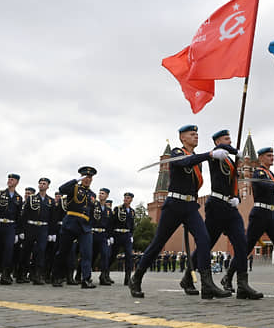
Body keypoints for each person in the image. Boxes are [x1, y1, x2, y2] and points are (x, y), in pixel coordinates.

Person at [129, 125, 229, 299]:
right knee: (158, 243)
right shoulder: (176, 152)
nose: (196, 136)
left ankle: (207, 285)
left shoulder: (196, 159)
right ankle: (136, 278)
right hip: (174, 204)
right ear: (183, 138)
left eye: (197, 133)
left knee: (204, 240)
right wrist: (210, 154)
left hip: (190, 206)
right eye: (192, 134)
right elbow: (184, 162)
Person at [222, 146, 274, 297]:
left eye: (273, 155)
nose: (272, 158)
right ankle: (228, 277)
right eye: (268, 155)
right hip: (260, 214)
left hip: (271, 214)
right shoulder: (258, 172)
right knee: (246, 248)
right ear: (260, 158)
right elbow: (269, 186)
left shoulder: (270, 173)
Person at [190, 129, 262, 299]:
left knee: (242, 243)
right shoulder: (216, 155)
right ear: (217, 142)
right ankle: (189, 276)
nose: (229, 141)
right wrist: (233, 150)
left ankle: (242, 285)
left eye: (230, 138)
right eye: (225, 138)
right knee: (207, 243)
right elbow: (221, 149)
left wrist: (236, 197)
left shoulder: (231, 161)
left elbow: (234, 183)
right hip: (215, 205)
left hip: (229, 206)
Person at [54, 166, 97, 288]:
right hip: (71, 223)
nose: (87, 179)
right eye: (85, 177)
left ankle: (86, 279)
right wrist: (75, 180)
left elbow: (92, 212)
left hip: (85, 227)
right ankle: (57, 276)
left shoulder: (92, 195)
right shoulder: (73, 188)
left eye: (89, 177)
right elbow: (62, 189)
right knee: (63, 251)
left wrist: (91, 226)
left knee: (87, 253)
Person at [0, 173, 24, 284]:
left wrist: (17, 232)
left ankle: (5, 275)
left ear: (17, 182)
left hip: (10, 226)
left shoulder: (18, 198)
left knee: (8, 250)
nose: (10, 181)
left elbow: (18, 217)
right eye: (9, 179)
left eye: (12, 179)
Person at [18, 177, 56, 284]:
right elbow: (24, 215)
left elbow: (52, 218)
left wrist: (52, 233)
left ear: (48, 186)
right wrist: (21, 231)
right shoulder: (31, 198)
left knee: (41, 252)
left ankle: (37, 275)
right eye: (40, 183)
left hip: (43, 228)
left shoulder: (50, 201)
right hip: (30, 227)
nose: (42, 185)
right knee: (26, 251)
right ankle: (21, 274)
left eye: (44, 183)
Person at [109, 192, 136, 284]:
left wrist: (131, 235)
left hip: (127, 235)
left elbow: (132, 225)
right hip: (117, 234)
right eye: (125, 198)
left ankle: (127, 278)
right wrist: (111, 235)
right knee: (113, 255)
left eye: (128, 198)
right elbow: (112, 222)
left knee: (129, 256)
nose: (126, 199)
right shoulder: (118, 209)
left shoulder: (132, 211)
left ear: (131, 200)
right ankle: (105, 274)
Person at [89, 188, 113, 285]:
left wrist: (109, 237)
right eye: (100, 193)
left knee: (105, 255)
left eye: (103, 193)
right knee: (90, 256)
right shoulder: (93, 205)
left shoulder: (108, 210)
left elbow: (110, 225)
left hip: (103, 235)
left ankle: (103, 277)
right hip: (93, 233)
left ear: (107, 196)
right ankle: (80, 274)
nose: (100, 195)